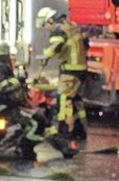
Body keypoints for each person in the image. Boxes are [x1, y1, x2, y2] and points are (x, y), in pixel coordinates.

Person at [35, 8, 90, 145]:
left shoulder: (59, 30)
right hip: (81, 68)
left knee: (64, 99)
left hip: (71, 70)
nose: (46, 28)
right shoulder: (71, 26)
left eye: (45, 24)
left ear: (50, 20)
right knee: (76, 100)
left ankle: (64, 132)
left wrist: (46, 55)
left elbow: (57, 44)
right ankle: (79, 131)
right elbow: (85, 43)